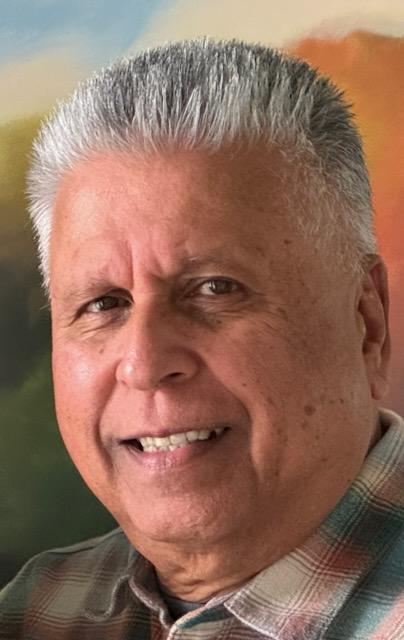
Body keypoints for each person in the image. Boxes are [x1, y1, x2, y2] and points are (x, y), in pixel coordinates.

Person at [1, 37, 403, 640]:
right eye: (103, 304)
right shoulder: (33, 610)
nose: (143, 362)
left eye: (215, 288)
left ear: (367, 321)